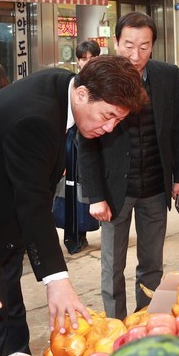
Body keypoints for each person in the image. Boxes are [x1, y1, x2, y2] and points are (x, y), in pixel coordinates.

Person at [0, 56, 148, 356]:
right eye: (108, 116)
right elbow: (34, 201)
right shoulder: (36, 117)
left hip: (4, 213)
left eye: (118, 121)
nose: (110, 128)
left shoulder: (64, 86)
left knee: (12, 305)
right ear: (82, 94)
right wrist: (57, 280)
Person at [79, 11, 179, 320]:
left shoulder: (167, 75)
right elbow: (85, 142)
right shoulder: (97, 77)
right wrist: (95, 196)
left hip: (155, 187)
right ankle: (115, 325)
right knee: (112, 265)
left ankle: (147, 322)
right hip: (115, 191)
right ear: (116, 42)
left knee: (152, 263)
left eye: (144, 46)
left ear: (153, 45)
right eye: (129, 45)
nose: (136, 54)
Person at [59, 39, 103, 253]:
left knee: (87, 186)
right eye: (83, 58)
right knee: (70, 186)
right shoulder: (72, 82)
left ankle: (81, 231)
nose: (87, 62)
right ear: (77, 61)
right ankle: (72, 234)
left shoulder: (103, 83)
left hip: (95, 138)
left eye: (91, 58)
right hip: (72, 138)